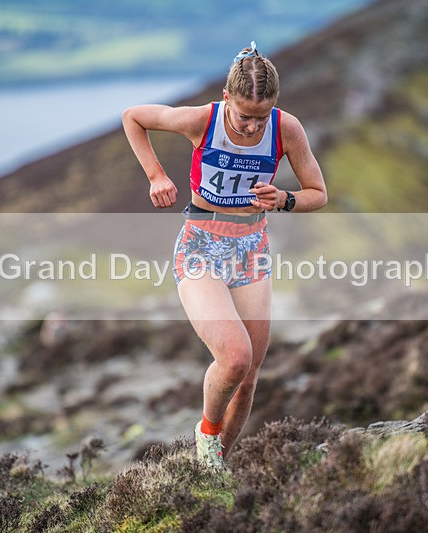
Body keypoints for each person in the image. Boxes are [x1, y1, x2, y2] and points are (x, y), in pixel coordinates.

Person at [122, 41, 327, 471]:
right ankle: (207, 436)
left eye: (262, 117)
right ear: (226, 98)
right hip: (201, 244)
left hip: (252, 249)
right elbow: (133, 117)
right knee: (235, 358)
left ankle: (212, 472)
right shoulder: (203, 120)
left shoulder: (287, 128)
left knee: (249, 378)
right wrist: (156, 175)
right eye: (244, 116)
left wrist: (284, 199)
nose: (253, 128)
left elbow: (318, 194)